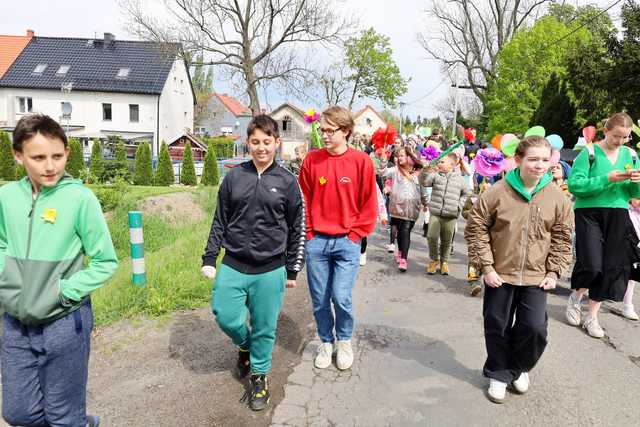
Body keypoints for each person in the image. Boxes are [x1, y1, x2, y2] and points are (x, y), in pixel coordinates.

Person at [0, 114, 118, 426]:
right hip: (14, 322)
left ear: (67, 152)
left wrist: (63, 291)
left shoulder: (80, 199)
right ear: (18, 156)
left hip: (64, 321)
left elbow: (106, 261)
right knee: (18, 413)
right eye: (38, 157)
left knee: (63, 417)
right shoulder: (6, 197)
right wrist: (6, 281)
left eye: (57, 156)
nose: (49, 166)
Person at [201, 115, 306, 411]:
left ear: (276, 143)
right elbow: (220, 219)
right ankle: (243, 344)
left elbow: (298, 227)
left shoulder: (288, 182)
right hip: (233, 263)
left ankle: (259, 376)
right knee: (225, 314)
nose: (261, 148)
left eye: (267, 142)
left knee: (265, 327)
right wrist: (210, 256)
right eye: (255, 142)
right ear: (248, 142)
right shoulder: (234, 177)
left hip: (270, 269)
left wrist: (293, 267)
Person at [465, 136, 573, 404]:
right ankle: (499, 374)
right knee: (497, 325)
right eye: (533, 159)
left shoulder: (557, 198)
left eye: (545, 160)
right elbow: (476, 228)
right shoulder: (496, 192)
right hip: (500, 273)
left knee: (535, 328)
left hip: (537, 276)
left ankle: (517, 366)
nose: (539, 165)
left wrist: (553, 272)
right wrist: (486, 267)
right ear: (518, 160)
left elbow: (562, 237)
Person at [299, 106, 378, 371]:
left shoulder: (361, 162)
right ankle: (326, 341)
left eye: (330, 131)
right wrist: (309, 234)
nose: (324, 136)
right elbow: (303, 200)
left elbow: (369, 203)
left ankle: (344, 340)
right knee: (320, 298)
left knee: (340, 296)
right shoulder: (312, 161)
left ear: (345, 131)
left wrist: (356, 235)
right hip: (317, 242)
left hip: (347, 241)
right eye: (322, 130)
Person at [566, 112, 640, 338]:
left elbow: (632, 194)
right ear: (606, 130)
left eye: (625, 137)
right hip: (589, 213)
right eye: (616, 135)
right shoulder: (588, 153)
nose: (620, 141)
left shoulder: (631, 154)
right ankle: (576, 298)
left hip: (618, 212)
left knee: (610, 266)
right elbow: (575, 186)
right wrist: (606, 178)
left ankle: (592, 317)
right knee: (592, 264)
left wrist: (636, 183)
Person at [420, 153, 471, 275]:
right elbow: (424, 182)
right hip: (436, 213)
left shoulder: (460, 179)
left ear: (452, 165)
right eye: (439, 162)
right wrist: (426, 170)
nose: (439, 163)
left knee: (447, 241)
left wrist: (459, 206)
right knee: (431, 236)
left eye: (442, 162)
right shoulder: (435, 175)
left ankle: (444, 262)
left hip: (451, 215)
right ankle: (434, 259)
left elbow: (467, 193)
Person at [378, 146, 424, 271]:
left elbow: (423, 188)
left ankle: (404, 259)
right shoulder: (395, 170)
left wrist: (425, 203)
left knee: (406, 232)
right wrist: (383, 161)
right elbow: (382, 173)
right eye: (398, 155)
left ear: (410, 157)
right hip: (396, 208)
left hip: (412, 209)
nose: (399, 158)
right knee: (400, 232)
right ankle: (401, 253)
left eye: (402, 155)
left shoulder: (418, 171)